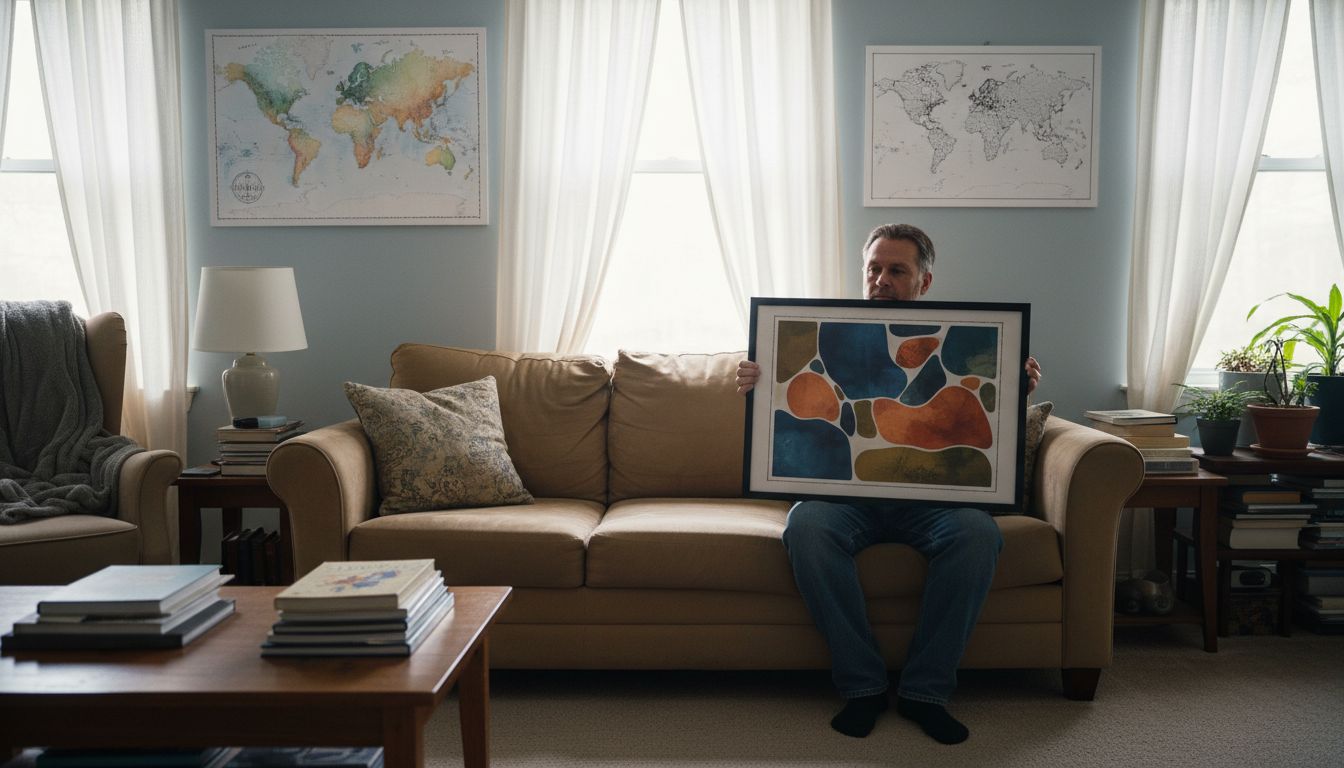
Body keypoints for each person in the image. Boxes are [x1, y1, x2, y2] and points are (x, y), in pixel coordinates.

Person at [736, 223, 1042, 744]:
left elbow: (984, 428)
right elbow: (789, 413)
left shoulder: (973, 339)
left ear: (924, 282)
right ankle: (863, 688)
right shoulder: (820, 332)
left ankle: (926, 693)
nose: (881, 279)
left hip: (935, 502)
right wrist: (755, 383)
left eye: (896, 270)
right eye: (873, 269)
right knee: (806, 525)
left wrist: (1015, 386)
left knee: (978, 535)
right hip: (844, 500)